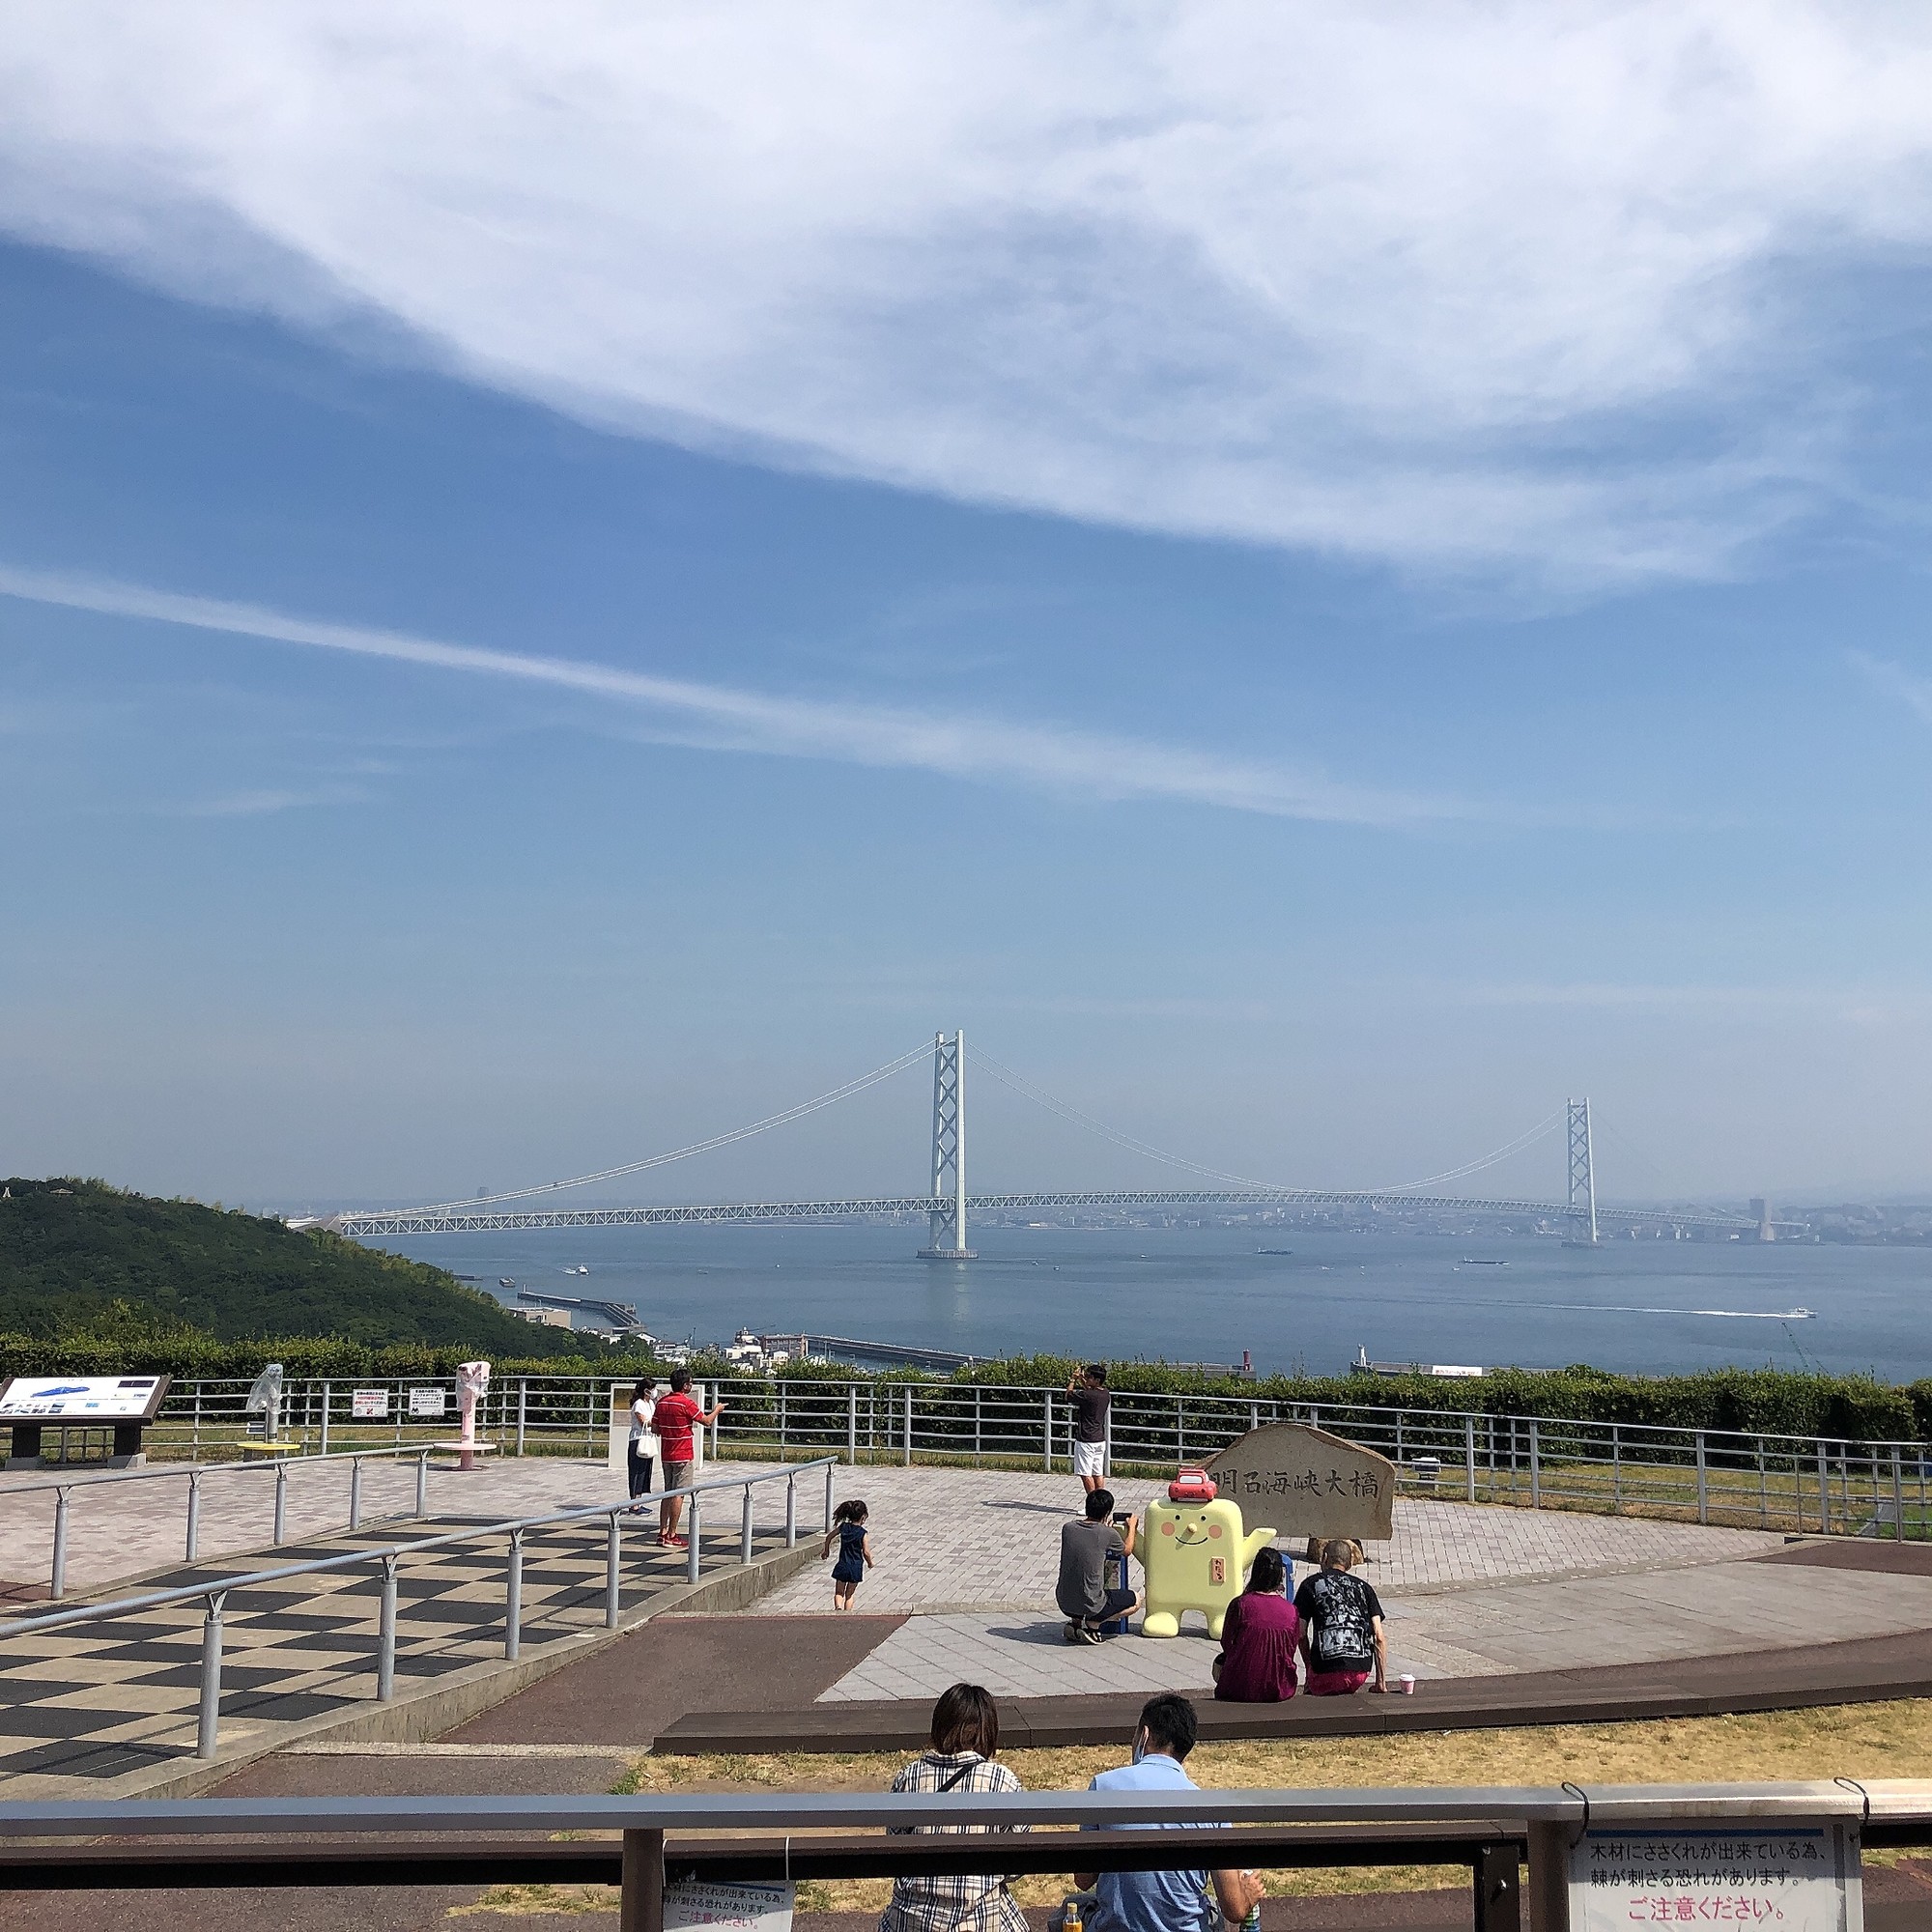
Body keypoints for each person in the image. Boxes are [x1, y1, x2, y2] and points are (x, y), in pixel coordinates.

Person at [1074, 1693, 1263, 1932]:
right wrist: (1248, 1895)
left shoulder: (1103, 1785)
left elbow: (1083, 1879)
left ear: (1144, 1735)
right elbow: (1234, 1910)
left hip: (1117, 1927)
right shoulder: (1210, 1808)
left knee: (1071, 1908)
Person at [879, 1683, 1029, 1932]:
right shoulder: (1002, 1781)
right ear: (988, 1731)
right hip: (977, 1922)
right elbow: (1015, 1868)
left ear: (940, 1725)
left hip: (910, 1920)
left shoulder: (909, 1777)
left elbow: (896, 1852)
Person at [1293, 1538, 1388, 1694]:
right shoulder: (1365, 1588)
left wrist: (1310, 1668)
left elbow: (1300, 1634)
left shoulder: (1310, 1585)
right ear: (1349, 1563)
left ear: (1324, 1558)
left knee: (1314, 1694)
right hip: (1359, 1672)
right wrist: (1381, 1683)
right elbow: (1379, 1636)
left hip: (1324, 1672)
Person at [1211, 1547, 1298, 1702]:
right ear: (1280, 1575)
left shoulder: (1240, 1604)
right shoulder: (1291, 1610)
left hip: (1239, 1689)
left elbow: (1227, 1643)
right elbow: (1290, 1649)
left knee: (1220, 1661)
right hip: (1279, 1689)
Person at [1057, 1488, 1140, 1644]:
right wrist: (1132, 1528)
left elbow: (1089, 1542)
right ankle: (1093, 1625)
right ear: (1107, 1512)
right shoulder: (1107, 1534)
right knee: (1136, 1600)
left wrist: (1105, 1528)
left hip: (1064, 1601)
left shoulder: (1068, 1528)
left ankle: (1075, 1624)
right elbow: (1127, 1550)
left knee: (1079, 1584)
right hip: (1092, 1602)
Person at [653, 1368, 724, 1548]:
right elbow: (706, 1421)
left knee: (667, 1492)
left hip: (666, 1453)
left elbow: (655, 1428)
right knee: (679, 1494)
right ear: (685, 1386)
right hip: (683, 1453)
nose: (691, 1385)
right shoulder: (686, 1403)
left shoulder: (662, 1402)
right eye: (690, 1383)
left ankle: (662, 1532)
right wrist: (717, 1410)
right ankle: (672, 1534)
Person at [1066, 1363, 1112, 1493]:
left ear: (1097, 1380)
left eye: (1089, 1377)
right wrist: (1082, 1379)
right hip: (1099, 1439)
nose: (1087, 1378)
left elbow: (1068, 1396)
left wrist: (1073, 1380)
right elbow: (1090, 1392)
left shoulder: (1088, 1395)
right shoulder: (1105, 1394)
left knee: (1085, 1473)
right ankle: (1100, 1500)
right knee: (1098, 1473)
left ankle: (1092, 1501)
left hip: (1086, 1440)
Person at [825, 1497, 873, 1608]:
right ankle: (847, 1614)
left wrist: (826, 1550)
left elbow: (829, 1537)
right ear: (863, 1517)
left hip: (842, 1564)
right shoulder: (862, 1533)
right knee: (849, 1594)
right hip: (855, 1567)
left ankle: (838, 1607)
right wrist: (870, 1563)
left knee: (839, 1592)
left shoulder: (844, 1527)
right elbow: (866, 1552)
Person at [626, 1378, 659, 1510]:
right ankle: (633, 1504)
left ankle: (638, 1501)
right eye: (652, 1388)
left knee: (645, 1472)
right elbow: (643, 1421)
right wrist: (657, 1423)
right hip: (638, 1439)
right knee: (636, 1471)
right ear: (646, 1390)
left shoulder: (650, 1403)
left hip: (648, 1438)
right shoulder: (638, 1404)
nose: (654, 1391)